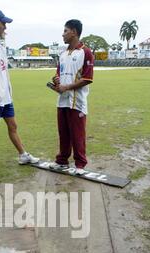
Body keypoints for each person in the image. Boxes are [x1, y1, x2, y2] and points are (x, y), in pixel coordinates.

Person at [0, 9, 39, 172]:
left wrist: (7, 94)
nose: (5, 27)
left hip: (5, 97)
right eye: (3, 24)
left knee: (13, 125)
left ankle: (23, 155)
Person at [50, 19, 94, 174]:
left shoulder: (86, 52)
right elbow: (58, 74)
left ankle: (80, 164)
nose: (63, 34)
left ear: (74, 32)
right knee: (63, 133)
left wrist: (66, 87)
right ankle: (62, 161)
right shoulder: (62, 54)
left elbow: (88, 78)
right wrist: (56, 81)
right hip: (62, 101)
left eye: (65, 31)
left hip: (78, 102)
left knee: (78, 134)